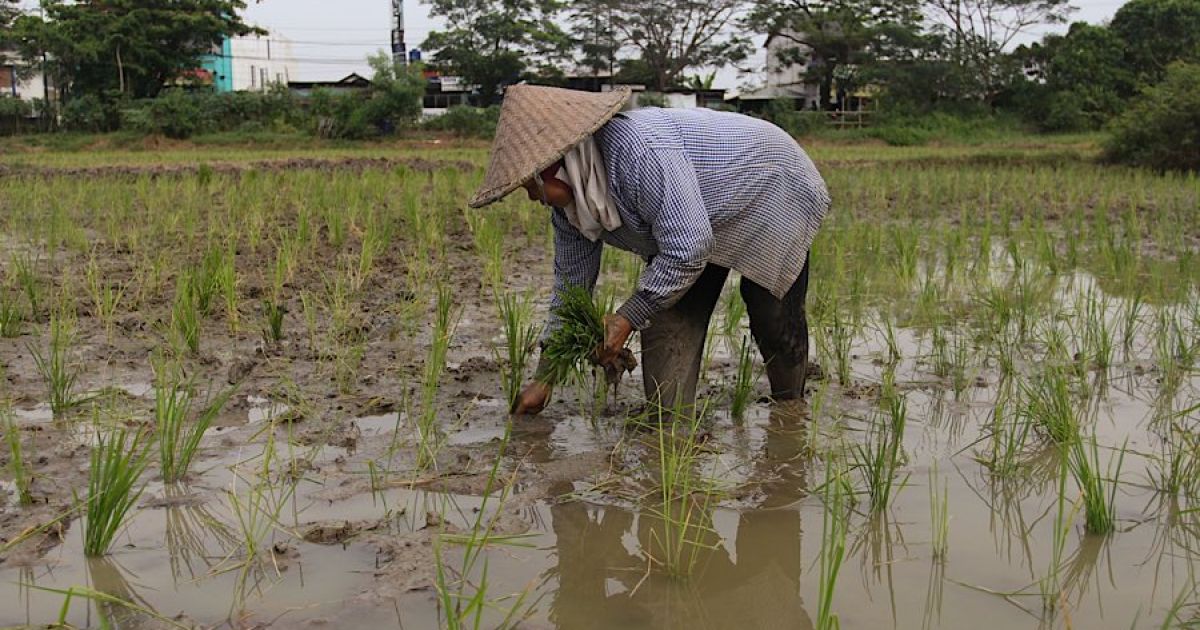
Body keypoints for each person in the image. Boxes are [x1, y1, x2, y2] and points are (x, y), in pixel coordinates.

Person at [467, 85, 830, 418]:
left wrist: (626, 317)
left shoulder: (638, 155)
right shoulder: (570, 211)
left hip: (771, 183)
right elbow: (570, 290)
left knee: (771, 314)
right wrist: (544, 379)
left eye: (532, 185)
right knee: (669, 317)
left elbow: (689, 247)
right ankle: (670, 423)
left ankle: (790, 411)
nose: (532, 197)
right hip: (696, 218)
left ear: (558, 165)